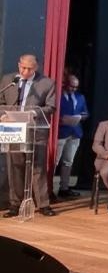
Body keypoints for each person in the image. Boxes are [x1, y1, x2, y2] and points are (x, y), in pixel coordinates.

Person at [0, 54, 57, 217]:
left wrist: (32, 112)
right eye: (22, 67)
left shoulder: (47, 83)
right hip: (13, 129)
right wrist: (4, 114)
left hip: (36, 130)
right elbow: (1, 102)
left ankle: (43, 204)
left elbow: (51, 107)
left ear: (36, 67)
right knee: (14, 167)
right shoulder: (9, 80)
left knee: (37, 168)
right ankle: (15, 204)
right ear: (19, 65)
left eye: (29, 69)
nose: (25, 71)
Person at [56, 73, 89, 199]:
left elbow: (86, 113)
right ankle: (47, 189)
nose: (74, 89)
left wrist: (80, 117)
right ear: (65, 84)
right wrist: (60, 120)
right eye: (71, 86)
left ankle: (64, 188)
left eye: (76, 87)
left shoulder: (80, 97)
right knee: (55, 161)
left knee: (68, 162)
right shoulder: (58, 96)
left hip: (75, 133)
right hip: (61, 133)